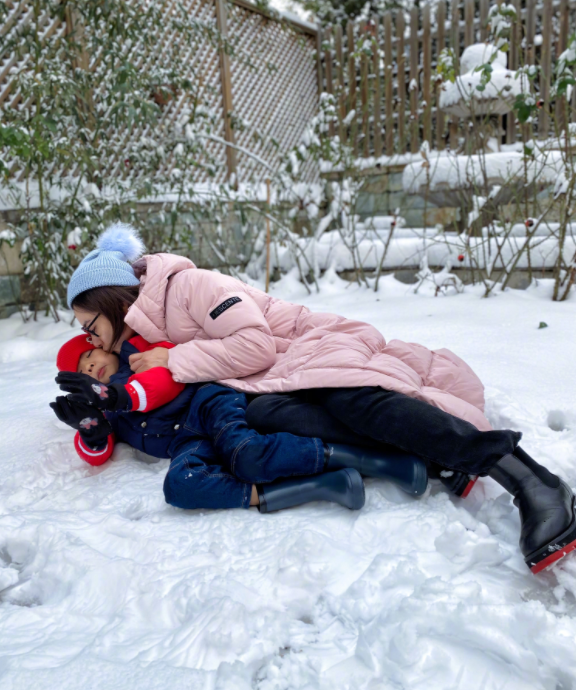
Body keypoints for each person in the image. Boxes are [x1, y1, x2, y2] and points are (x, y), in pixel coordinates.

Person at [64, 223, 576, 573]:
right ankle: (433, 452)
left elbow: (256, 343)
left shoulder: (190, 286)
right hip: (269, 379)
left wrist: (176, 361)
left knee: (355, 401)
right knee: (267, 414)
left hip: (308, 345)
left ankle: (532, 479)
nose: (90, 339)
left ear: (111, 298)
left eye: (89, 325)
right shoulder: (145, 333)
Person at [51, 332, 428, 513]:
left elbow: (162, 380)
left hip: (206, 403)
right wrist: (92, 429)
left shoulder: (142, 351)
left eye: (88, 354)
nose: (89, 366)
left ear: (103, 345)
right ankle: (324, 485)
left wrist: (116, 395)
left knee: (246, 455)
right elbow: (96, 453)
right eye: (82, 370)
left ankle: (369, 460)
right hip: (185, 442)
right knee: (180, 487)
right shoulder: (106, 408)